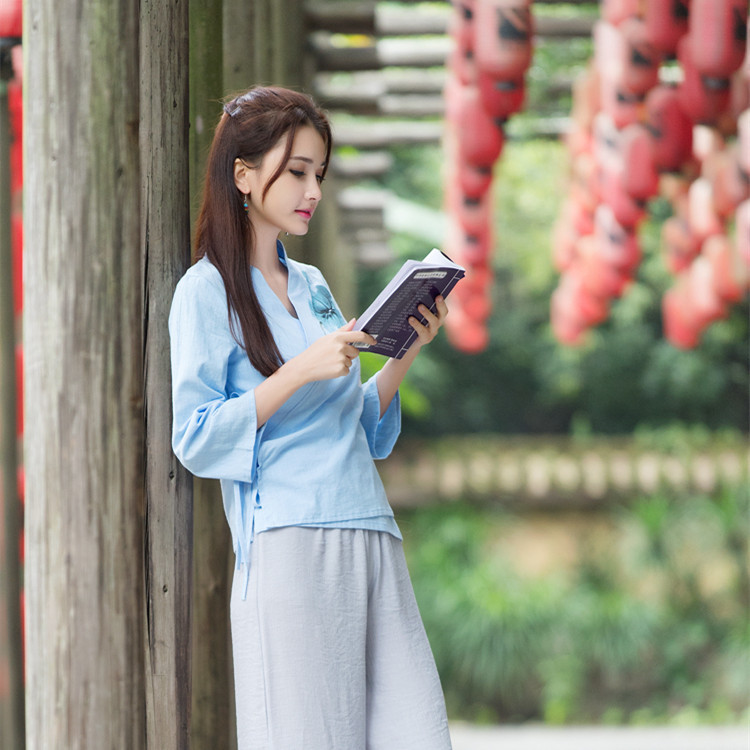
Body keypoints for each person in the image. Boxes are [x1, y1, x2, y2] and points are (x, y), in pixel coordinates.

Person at [169, 85, 453, 750]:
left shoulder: (316, 286)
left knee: (418, 735)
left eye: (318, 174)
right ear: (243, 175)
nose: (311, 189)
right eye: (296, 170)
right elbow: (198, 436)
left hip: (371, 530)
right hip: (291, 542)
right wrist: (300, 368)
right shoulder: (205, 291)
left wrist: (404, 351)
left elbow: (359, 425)